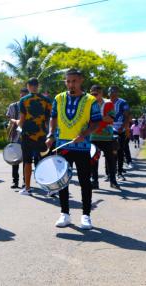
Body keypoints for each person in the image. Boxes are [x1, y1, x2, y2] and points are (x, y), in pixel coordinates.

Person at [46, 69, 101, 230]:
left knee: (85, 181)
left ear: (81, 80)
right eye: (68, 81)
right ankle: (65, 214)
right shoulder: (59, 98)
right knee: (62, 181)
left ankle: (86, 215)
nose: (71, 84)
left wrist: (84, 134)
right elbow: (53, 118)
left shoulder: (91, 100)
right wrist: (50, 135)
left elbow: (96, 122)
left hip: (83, 147)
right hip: (62, 146)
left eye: (74, 81)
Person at [14, 78, 52, 195]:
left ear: (28, 86)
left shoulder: (23, 100)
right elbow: (49, 120)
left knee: (27, 162)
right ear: (38, 86)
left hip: (27, 135)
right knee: (45, 161)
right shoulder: (46, 100)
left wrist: (16, 122)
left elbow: (22, 120)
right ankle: (50, 189)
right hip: (42, 135)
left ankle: (28, 188)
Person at [89, 85, 119, 189]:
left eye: (96, 94)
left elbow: (110, 119)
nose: (93, 96)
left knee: (110, 160)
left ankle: (113, 181)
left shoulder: (108, 103)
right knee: (93, 160)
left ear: (101, 93)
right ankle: (95, 181)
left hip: (106, 137)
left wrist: (96, 117)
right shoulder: (88, 103)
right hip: (92, 136)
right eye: (92, 94)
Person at [6, 87, 28, 189]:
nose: (23, 96)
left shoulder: (31, 106)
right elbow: (9, 117)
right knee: (15, 159)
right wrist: (15, 120)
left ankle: (25, 181)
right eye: (22, 94)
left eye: (25, 95)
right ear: (20, 95)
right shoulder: (13, 106)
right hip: (15, 135)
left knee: (26, 159)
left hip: (27, 135)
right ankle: (15, 181)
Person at [109, 86, 131, 180]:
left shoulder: (123, 102)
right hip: (108, 130)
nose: (112, 94)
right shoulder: (106, 102)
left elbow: (127, 116)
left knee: (119, 151)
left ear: (117, 93)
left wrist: (123, 127)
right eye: (110, 92)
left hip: (120, 130)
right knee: (109, 152)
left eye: (114, 92)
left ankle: (120, 172)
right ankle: (109, 173)